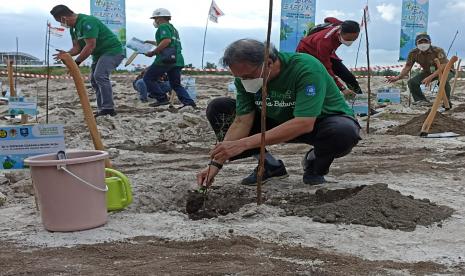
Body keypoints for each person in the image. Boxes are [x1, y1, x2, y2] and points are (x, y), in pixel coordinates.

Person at [196, 39, 361, 187]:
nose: (244, 81)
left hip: (318, 122)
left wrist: (243, 143)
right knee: (219, 108)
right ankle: (269, 166)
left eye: (248, 76)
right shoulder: (245, 79)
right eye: (239, 77)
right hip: (276, 121)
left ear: (268, 63)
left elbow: (304, 122)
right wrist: (215, 165)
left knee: (343, 132)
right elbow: (242, 121)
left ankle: (315, 164)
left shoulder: (305, 68)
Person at [50, 5, 124, 117]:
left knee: (100, 76)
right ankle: (102, 109)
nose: (61, 24)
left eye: (60, 21)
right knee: (94, 80)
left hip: (112, 50)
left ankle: (108, 108)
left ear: (64, 18)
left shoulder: (87, 21)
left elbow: (90, 46)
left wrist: (77, 63)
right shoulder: (73, 29)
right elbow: (77, 48)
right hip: (98, 54)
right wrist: (66, 54)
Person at [143, 8, 196, 109]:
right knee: (176, 84)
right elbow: (168, 42)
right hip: (177, 59)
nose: (155, 21)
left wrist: (153, 52)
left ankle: (162, 98)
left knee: (148, 78)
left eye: (155, 18)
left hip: (165, 60)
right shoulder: (173, 29)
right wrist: (150, 42)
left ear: (159, 18)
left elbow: (166, 41)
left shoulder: (163, 26)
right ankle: (189, 103)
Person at [296, 18, 362, 97]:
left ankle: (359, 98)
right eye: (348, 39)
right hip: (307, 52)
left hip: (328, 52)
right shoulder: (325, 42)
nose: (351, 41)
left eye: (354, 39)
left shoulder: (340, 24)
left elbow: (329, 19)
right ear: (340, 33)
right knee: (317, 78)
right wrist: (343, 89)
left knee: (348, 76)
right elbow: (327, 69)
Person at [388, 33, 453, 107]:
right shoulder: (413, 53)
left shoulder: (438, 50)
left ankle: (446, 102)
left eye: (425, 41)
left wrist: (431, 77)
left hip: (445, 70)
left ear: (430, 42)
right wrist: (398, 77)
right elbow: (408, 66)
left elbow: (443, 66)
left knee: (443, 81)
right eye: (420, 42)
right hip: (428, 71)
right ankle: (421, 100)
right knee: (412, 82)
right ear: (416, 44)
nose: (423, 44)